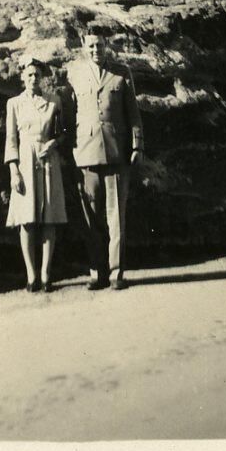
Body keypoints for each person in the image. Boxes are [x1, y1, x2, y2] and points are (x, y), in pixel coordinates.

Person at [65, 27, 143, 290]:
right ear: (83, 46)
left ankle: (116, 273)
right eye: (91, 46)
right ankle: (96, 272)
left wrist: (137, 145)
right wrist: (70, 149)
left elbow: (133, 113)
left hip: (116, 151)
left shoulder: (121, 73)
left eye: (99, 45)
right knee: (91, 218)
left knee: (116, 216)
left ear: (106, 44)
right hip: (86, 153)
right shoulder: (74, 74)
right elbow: (70, 115)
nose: (95, 50)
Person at [4, 55, 67, 292]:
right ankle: (31, 275)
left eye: (37, 75)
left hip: (48, 158)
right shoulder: (14, 104)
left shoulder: (53, 101)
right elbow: (11, 139)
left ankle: (46, 273)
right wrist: (14, 171)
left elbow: (63, 131)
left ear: (42, 77)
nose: (33, 79)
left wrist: (53, 144)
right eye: (29, 75)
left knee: (49, 217)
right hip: (25, 161)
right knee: (26, 219)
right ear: (22, 76)